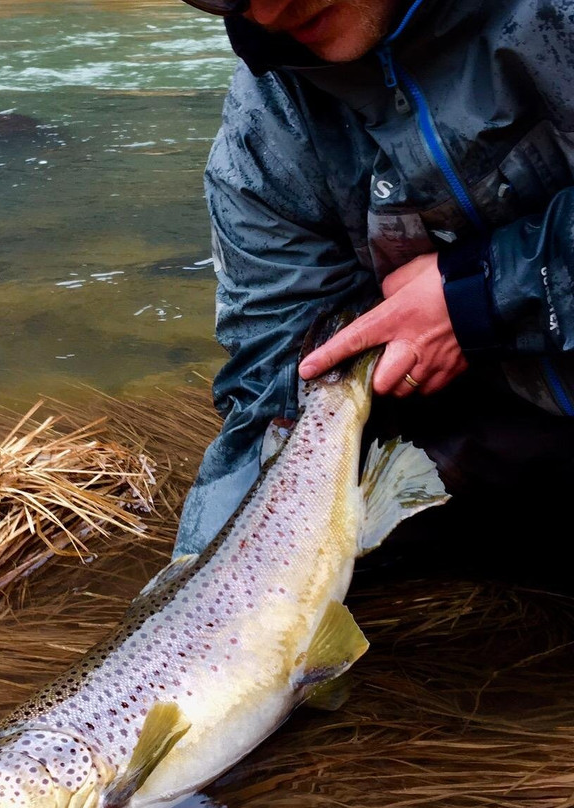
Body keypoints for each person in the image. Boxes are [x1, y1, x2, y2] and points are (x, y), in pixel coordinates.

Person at [173, 0, 574, 582]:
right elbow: (276, 394)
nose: (267, 10)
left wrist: (478, 297)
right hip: (512, 433)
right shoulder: (263, 140)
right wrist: (198, 586)